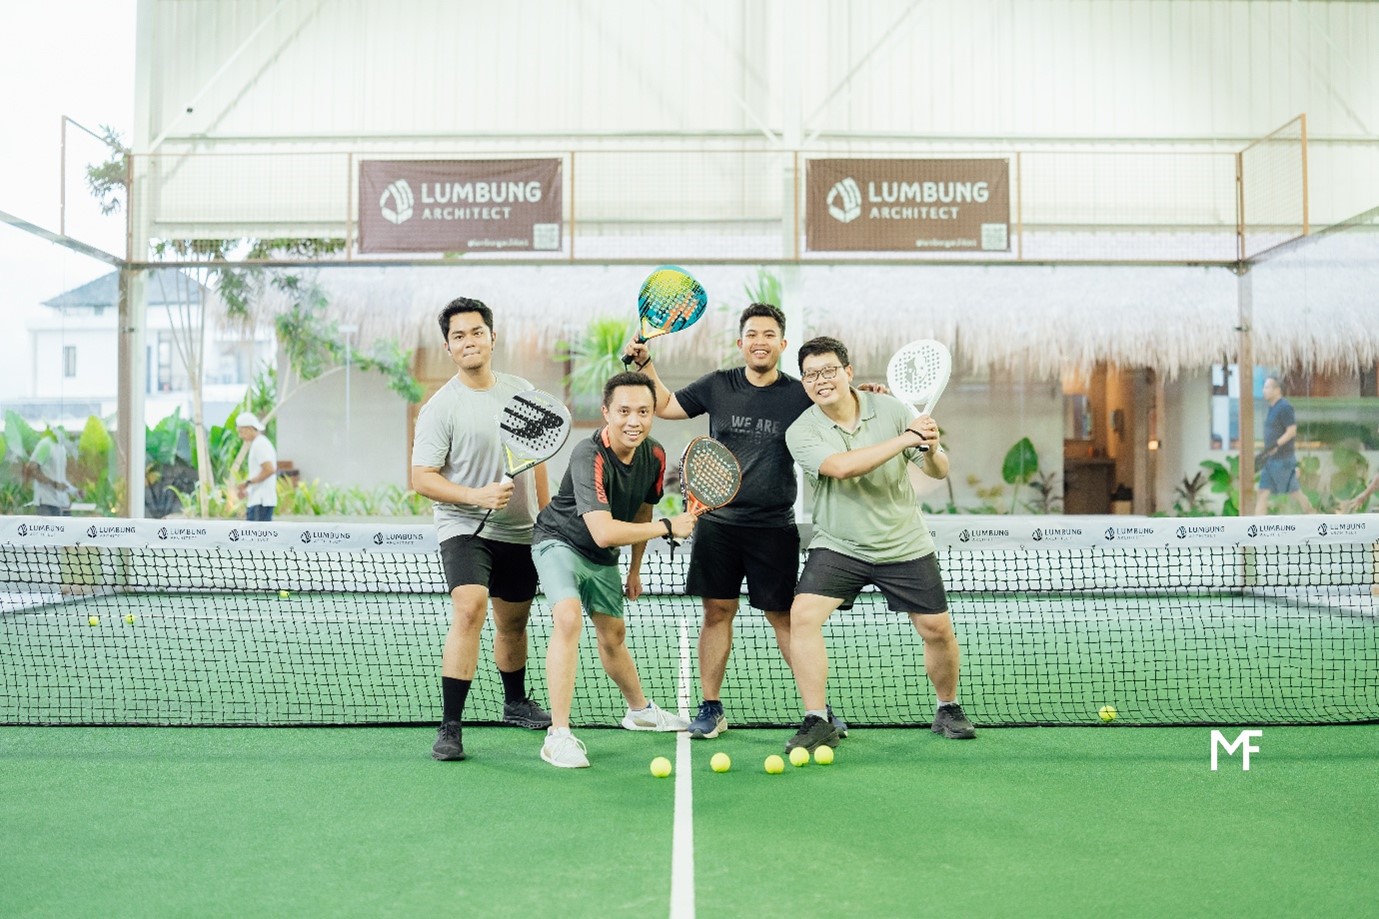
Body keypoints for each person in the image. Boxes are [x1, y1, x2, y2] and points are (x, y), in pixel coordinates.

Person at [624, 303, 849, 741]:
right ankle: (711, 708)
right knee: (717, 612)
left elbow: (836, 402)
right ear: (740, 342)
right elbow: (667, 406)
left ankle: (817, 712)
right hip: (719, 526)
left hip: (773, 527)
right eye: (752, 334)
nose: (760, 341)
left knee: (783, 617)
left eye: (769, 334)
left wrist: (860, 391)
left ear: (782, 344)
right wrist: (646, 364)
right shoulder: (718, 385)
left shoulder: (800, 392)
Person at [782, 335, 975, 753]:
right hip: (840, 545)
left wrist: (932, 446)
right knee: (804, 617)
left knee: (936, 630)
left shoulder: (891, 410)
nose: (821, 380)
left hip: (903, 542)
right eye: (811, 374)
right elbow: (842, 467)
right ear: (804, 383)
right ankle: (817, 719)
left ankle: (949, 707)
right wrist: (907, 438)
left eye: (829, 370)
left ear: (848, 373)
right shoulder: (802, 430)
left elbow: (937, 470)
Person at [411, 297, 554, 762]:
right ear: (448, 347)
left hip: (519, 531)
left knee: (513, 623)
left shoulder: (522, 391)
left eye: (476, 332)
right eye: (458, 336)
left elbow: (537, 459)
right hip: (464, 528)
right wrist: (475, 497)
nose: (468, 341)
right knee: (470, 608)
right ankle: (450, 727)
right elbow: (422, 479)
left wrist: (547, 517)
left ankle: (515, 702)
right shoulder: (440, 408)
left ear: (493, 337)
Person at [533, 371, 697, 768]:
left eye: (643, 411)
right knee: (568, 618)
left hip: (604, 559)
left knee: (614, 635)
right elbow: (604, 531)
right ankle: (558, 736)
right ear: (607, 412)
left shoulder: (654, 455)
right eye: (623, 411)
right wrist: (668, 528)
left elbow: (644, 507)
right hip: (560, 542)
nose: (633, 420)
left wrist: (635, 570)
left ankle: (639, 711)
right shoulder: (587, 454)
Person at [1254, 376, 1314, 516]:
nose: (1264, 390)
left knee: (1295, 493)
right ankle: (1256, 529)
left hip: (1283, 459)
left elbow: (1292, 431)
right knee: (1262, 492)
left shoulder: (1284, 407)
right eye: (1264, 387)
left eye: (1267, 387)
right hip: (1270, 460)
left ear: (1277, 390)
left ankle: (1314, 517)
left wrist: (1276, 445)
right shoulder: (1272, 409)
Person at [235, 412, 278, 521]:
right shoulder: (260, 443)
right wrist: (248, 490)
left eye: (241, 431)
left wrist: (247, 483)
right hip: (260, 501)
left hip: (260, 502)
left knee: (254, 537)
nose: (240, 436)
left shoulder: (260, 444)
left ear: (249, 429)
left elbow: (269, 469)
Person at [26, 430, 73, 516]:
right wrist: (53, 484)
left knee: (67, 528)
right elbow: (32, 468)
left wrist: (73, 490)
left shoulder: (61, 447)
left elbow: (60, 475)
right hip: (46, 501)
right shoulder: (46, 445)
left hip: (62, 501)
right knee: (49, 528)